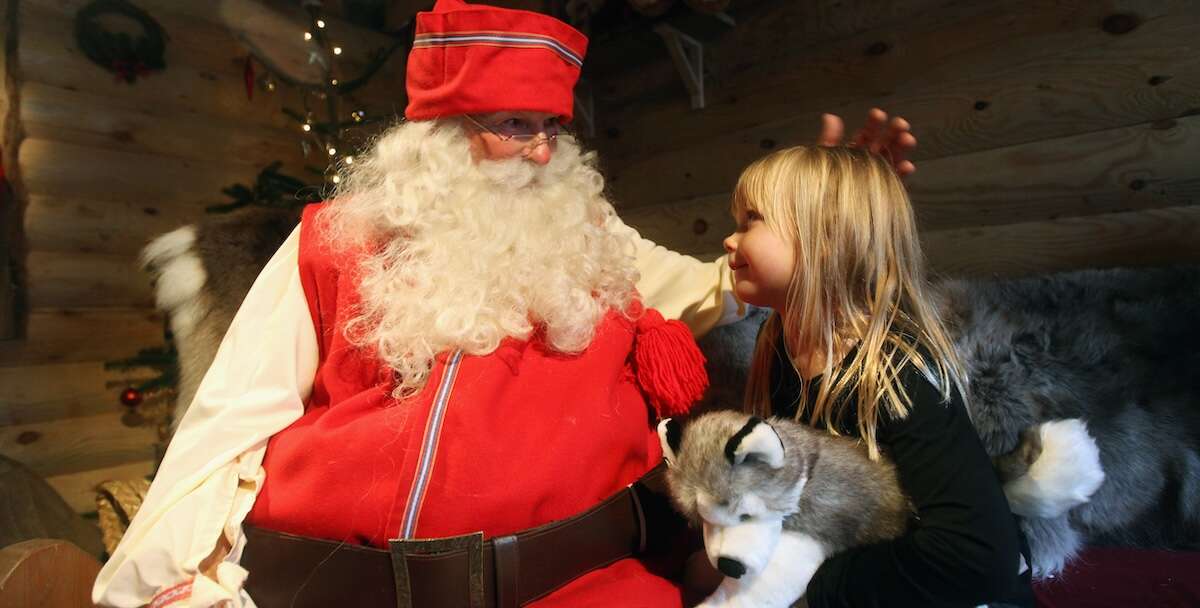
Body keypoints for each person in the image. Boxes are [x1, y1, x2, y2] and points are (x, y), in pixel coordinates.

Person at [91, 1, 919, 606]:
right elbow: (232, 414)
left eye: (553, 126)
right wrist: (171, 573)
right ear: (440, 134)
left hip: (587, 589)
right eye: (515, 123)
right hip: (332, 590)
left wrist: (829, 214)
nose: (541, 150)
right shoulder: (332, 240)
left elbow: (723, 287)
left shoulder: (592, 235)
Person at [721, 145, 1034, 607]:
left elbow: (977, 558)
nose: (730, 239)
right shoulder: (778, 343)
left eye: (752, 220)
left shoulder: (894, 374)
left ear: (827, 238)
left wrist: (819, 588)